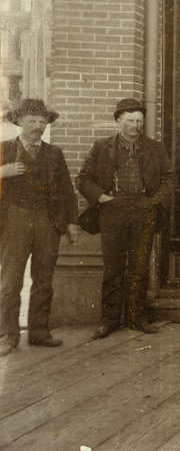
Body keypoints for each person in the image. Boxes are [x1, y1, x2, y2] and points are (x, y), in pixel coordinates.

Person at [78, 98, 176, 338]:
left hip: (143, 209)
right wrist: (101, 197)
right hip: (113, 210)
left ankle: (137, 318)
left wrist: (154, 202)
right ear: (118, 120)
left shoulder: (155, 148)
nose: (135, 125)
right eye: (130, 120)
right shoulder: (102, 147)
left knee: (139, 267)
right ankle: (108, 320)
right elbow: (83, 179)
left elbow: (169, 178)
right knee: (112, 268)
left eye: (139, 121)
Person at [0, 99, 80, 356]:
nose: (37, 126)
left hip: (48, 221)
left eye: (42, 121)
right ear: (19, 122)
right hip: (14, 220)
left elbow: (67, 190)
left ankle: (39, 331)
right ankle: (7, 335)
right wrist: (3, 172)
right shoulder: (3, 150)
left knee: (44, 278)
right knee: (10, 281)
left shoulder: (54, 153)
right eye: (32, 121)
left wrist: (71, 222)